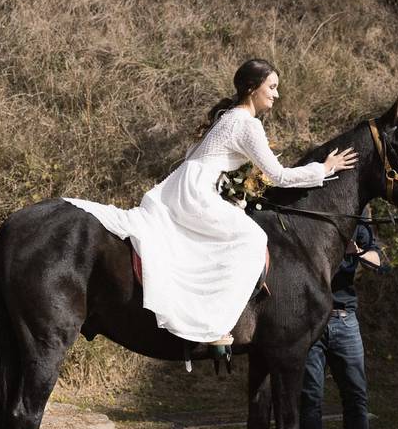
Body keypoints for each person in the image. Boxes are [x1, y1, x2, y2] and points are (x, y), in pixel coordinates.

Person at [63, 59, 357, 345]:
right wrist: (325, 168)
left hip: (182, 186)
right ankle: (213, 323)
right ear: (253, 88)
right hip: (198, 191)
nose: (276, 94)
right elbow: (278, 175)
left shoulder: (227, 117)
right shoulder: (247, 124)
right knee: (252, 238)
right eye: (272, 86)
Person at [299, 216, 390, 429]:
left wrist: (357, 251)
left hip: (345, 320)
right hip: (310, 321)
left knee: (356, 397)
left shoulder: (357, 224)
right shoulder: (311, 219)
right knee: (310, 399)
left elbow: (379, 263)